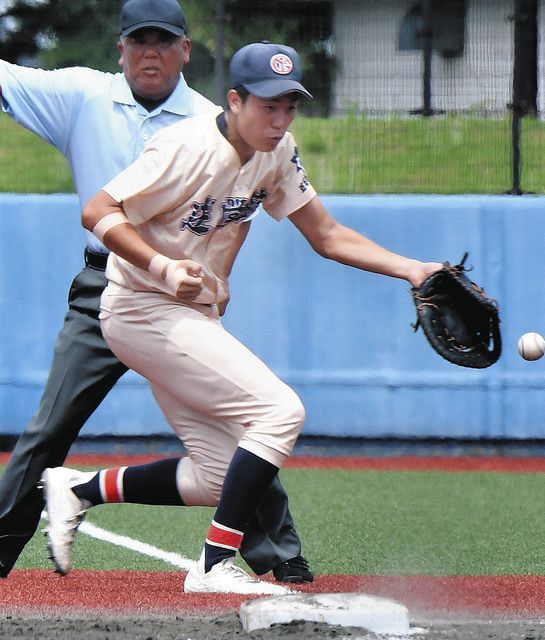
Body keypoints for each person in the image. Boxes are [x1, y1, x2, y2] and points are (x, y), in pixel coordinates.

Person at [40, 41, 443, 594]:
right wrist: (161, 267)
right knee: (279, 411)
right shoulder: (183, 147)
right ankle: (212, 567)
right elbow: (97, 211)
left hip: (188, 314)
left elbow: (324, 234)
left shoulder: (278, 152)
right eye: (267, 106)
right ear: (234, 100)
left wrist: (412, 269)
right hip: (140, 308)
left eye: (290, 107)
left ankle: (80, 489)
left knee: (216, 476)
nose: (279, 121)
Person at [0, 0, 312, 587]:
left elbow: (238, 211)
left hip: (181, 297)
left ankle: (279, 557)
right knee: (50, 429)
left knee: (244, 418)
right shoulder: (82, 96)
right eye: (139, 40)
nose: (151, 52)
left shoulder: (220, 116)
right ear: (119, 49)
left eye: (164, 41)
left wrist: (218, 280)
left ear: (186, 50)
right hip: (108, 287)